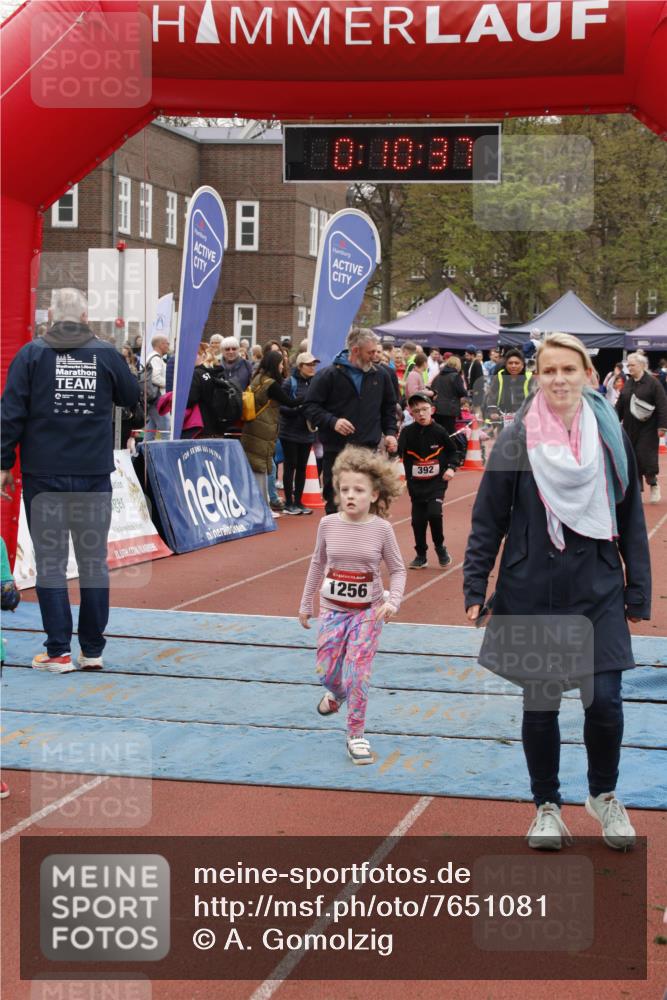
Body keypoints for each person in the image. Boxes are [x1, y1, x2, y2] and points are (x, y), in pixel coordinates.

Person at [464, 332, 651, 851]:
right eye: (549, 370)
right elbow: (488, 518)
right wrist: (476, 583)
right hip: (532, 589)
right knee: (540, 707)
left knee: (606, 703)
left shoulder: (611, 434)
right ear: (537, 376)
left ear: (589, 375)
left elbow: (631, 517)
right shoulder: (517, 438)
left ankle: (603, 795)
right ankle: (546, 806)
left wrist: (639, 589)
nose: (560, 379)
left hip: (597, 586)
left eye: (569, 369)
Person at [0, 288, 139, 673]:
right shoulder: (106, 353)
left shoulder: (31, 354)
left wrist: (3, 463)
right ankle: (91, 650)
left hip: (45, 475)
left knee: (51, 563)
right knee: (93, 562)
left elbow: (10, 412)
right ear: (83, 315)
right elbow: (130, 396)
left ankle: (58, 650)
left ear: (50, 316)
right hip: (92, 473)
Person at [298, 446, 406, 764]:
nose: (350, 496)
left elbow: (398, 570)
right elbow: (317, 563)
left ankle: (356, 735)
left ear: (374, 495)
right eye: (345, 489)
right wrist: (306, 602)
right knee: (327, 672)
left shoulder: (381, 529)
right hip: (332, 610)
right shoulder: (328, 525)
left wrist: (394, 601)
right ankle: (337, 693)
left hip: (368, 612)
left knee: (357, 672)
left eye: (358, 490)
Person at [304, 329, 398, 515]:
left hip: (367, 451)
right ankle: (336, 541)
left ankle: (362, 542)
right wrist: (333, 422)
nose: (375, 357)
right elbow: (309, 407)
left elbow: (389, 408)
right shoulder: (328, 375)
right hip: (337, 450)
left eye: (376, 352)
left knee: (368, 501)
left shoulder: (381, 375)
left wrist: (390, 433)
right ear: (355, 351)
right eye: (370, 352)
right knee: (336, 499)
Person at [399, 391, 459, 569]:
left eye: (424, 409)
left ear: (432, 410)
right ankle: (421, 554)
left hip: (436, 483)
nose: (421, 414)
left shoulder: (439, 431)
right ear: (411, 414)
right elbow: (397, 452)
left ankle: (440, 547)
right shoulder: (407, 432)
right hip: (416, 484)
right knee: (418, 520)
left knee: (434, 513)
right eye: (416, 411)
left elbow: (454, 451)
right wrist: (392, 450)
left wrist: (451, 468)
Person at [240, 350, 300, 517]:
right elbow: (290, 402)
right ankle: (262, 508)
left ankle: (258, 505)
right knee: (262, 466)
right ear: (275, 365)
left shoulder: (257, 378)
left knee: (257, 465)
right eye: (281, 364)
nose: (282, 367)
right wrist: (310, 397)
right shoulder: (271, 384)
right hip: (263, 428)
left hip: (252, 425)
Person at [615, 352, 667, 503]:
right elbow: (621, 405)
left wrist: (662, 426)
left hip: (648, 428)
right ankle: (636, 492)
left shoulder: (653, 383)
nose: (629, 368)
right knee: (632, 458)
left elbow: (663, 405)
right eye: (628, 365)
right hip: (629, 427)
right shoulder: (629, 383)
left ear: (642, 366)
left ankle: (653, 484)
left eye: (632, 365)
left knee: (645, 457)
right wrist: (612, 419)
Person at [279, 352, 319, 514]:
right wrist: (299, 409)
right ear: (300, 366)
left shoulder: (315, 383)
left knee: (302, 467)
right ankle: (289, 503)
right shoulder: (289, 382)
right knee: (290, 466)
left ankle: (299, 501)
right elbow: (280, 407)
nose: (312, 367)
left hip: (307, 432)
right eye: (309, 364)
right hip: (289, 432)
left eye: (313, 364)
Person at [485, 348, 534, 418]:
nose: (513, 366)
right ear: (506, 365)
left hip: (524, 417)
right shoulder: (499, 377)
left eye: (516, 363)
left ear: (522, 365)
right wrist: (493, 412)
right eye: (510, 363)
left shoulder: (530, 378)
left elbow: (534, 399)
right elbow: (491, 397)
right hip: (502, 416)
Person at [429, 354, 467, 434]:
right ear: (457, 365)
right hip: (450, 410)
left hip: (437, 409)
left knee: (438, 433)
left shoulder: (438, 376)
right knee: (449, 434)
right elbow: (462, 392)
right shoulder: (456, 376)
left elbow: (432, 390)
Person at [145, 334, 170, 436]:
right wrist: (169, 384)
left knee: (151, 428)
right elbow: (155, 378)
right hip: (158, 399)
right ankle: (166, 451)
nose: (168, 346)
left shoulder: (153, 357)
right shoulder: (155, 359)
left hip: (153, 398)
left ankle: (143, 451)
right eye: (167, 343)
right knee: (166, 428)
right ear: (161, 344)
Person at [463, 344, 485, 411]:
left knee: (477, 409)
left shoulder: (477, 364)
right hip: (471, 391)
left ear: (472, 355)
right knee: (472, 410)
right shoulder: (469, 363)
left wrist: (476, 391)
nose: (466, 357)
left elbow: (480, 379)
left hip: (477, 392)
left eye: (467, 355)